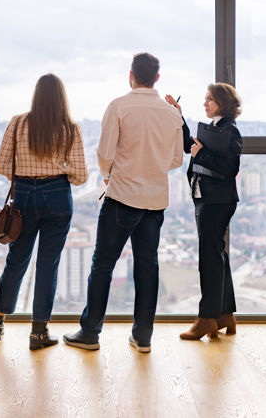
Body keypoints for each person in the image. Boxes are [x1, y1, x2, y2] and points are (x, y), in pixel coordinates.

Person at [63, 53, 183, 354]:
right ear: (157, 78)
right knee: (148, 267)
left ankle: (90, 333)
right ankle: (143, 337)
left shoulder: (119, 106)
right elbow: (177, 159)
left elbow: (104, 153)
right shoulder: (172, 114)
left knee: (102, 264)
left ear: (131, 75)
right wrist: (152, 167)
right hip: (155, 202)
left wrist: (109, 175)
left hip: (121, 198)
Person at [0, 73, 88, 350]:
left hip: (24, 196)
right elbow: (80, 177)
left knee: (17, 259)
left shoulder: (18, 123)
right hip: (57, 196)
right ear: (61, 97)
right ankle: (38, 332)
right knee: (48, 264)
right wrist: (58, 171)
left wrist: (25, 175)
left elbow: (0, 165)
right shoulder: (70, 128)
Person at [164, 83, 242, 341]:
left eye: (209, 99)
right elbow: (190, 146)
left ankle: (207, 318)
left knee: (209, 259)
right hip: (207, 198)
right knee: (217, 255)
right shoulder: (216, 128)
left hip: (216, 202)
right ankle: (225, 315)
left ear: (222, 102)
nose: (205, 103)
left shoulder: (230, 131)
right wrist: (179, 115)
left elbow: (229, 168)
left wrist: (202, 153)